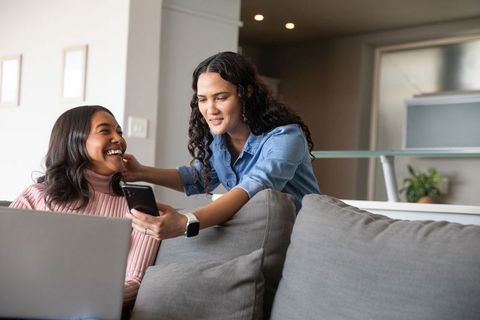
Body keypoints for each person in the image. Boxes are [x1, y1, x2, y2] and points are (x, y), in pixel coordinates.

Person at [123, 51, 320, 240]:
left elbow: (253, 187)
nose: (210, 109)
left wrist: (186, 222)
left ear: (247, 93)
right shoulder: (219, 139)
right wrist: (140, 172)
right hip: (259, 232)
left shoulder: (285, 136)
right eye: (203, 100)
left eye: (221, 97)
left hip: (301, 237)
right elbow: (199, 177)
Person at [9, 105, 159, 309]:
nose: (119, 139)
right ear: (74, 141)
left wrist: (81, 296)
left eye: (119, 132)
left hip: (90, 310)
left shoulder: (139, 208)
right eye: (105, 131)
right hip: (23, 302)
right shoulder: (35, 196)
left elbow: (134, 281)